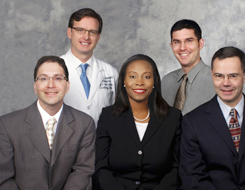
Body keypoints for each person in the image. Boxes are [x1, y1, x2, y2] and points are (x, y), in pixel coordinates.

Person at [179, 46, 245, 189]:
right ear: (212, 75)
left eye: (233, 76)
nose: (226, 83)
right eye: (219, 76)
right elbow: (193, 178)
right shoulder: (192, 122)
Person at [0, 56, 95, 190]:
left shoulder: (84, 123)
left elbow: (83, 171)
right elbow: (3, 177)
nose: (51, 85)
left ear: (67, 86)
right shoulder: (7, 125)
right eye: (43, 78)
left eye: (58, 78)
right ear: (35, 86)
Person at [94, 54, 182, 189]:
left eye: (146, 76)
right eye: (133, 76)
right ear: (124, 81)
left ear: (154, 82)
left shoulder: (173, 118)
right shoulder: (108, 117)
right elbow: (101, 168)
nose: (139, 82)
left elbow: (177, 169)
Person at [61, 8, 118, 127]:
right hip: (65, 142)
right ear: (69, 33)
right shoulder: (54, 69)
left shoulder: (110, 72)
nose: (86, 37)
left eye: (92, 32)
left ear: (98, 37)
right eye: (80, 30)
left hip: (101, 142)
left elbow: (116, 112)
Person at [162, 19, 215, 115]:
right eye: (177, 42)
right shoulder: (166, 81)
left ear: (200, 44)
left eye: (189, 41)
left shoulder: (215, 81)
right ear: (171, 45)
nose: (182, 48)